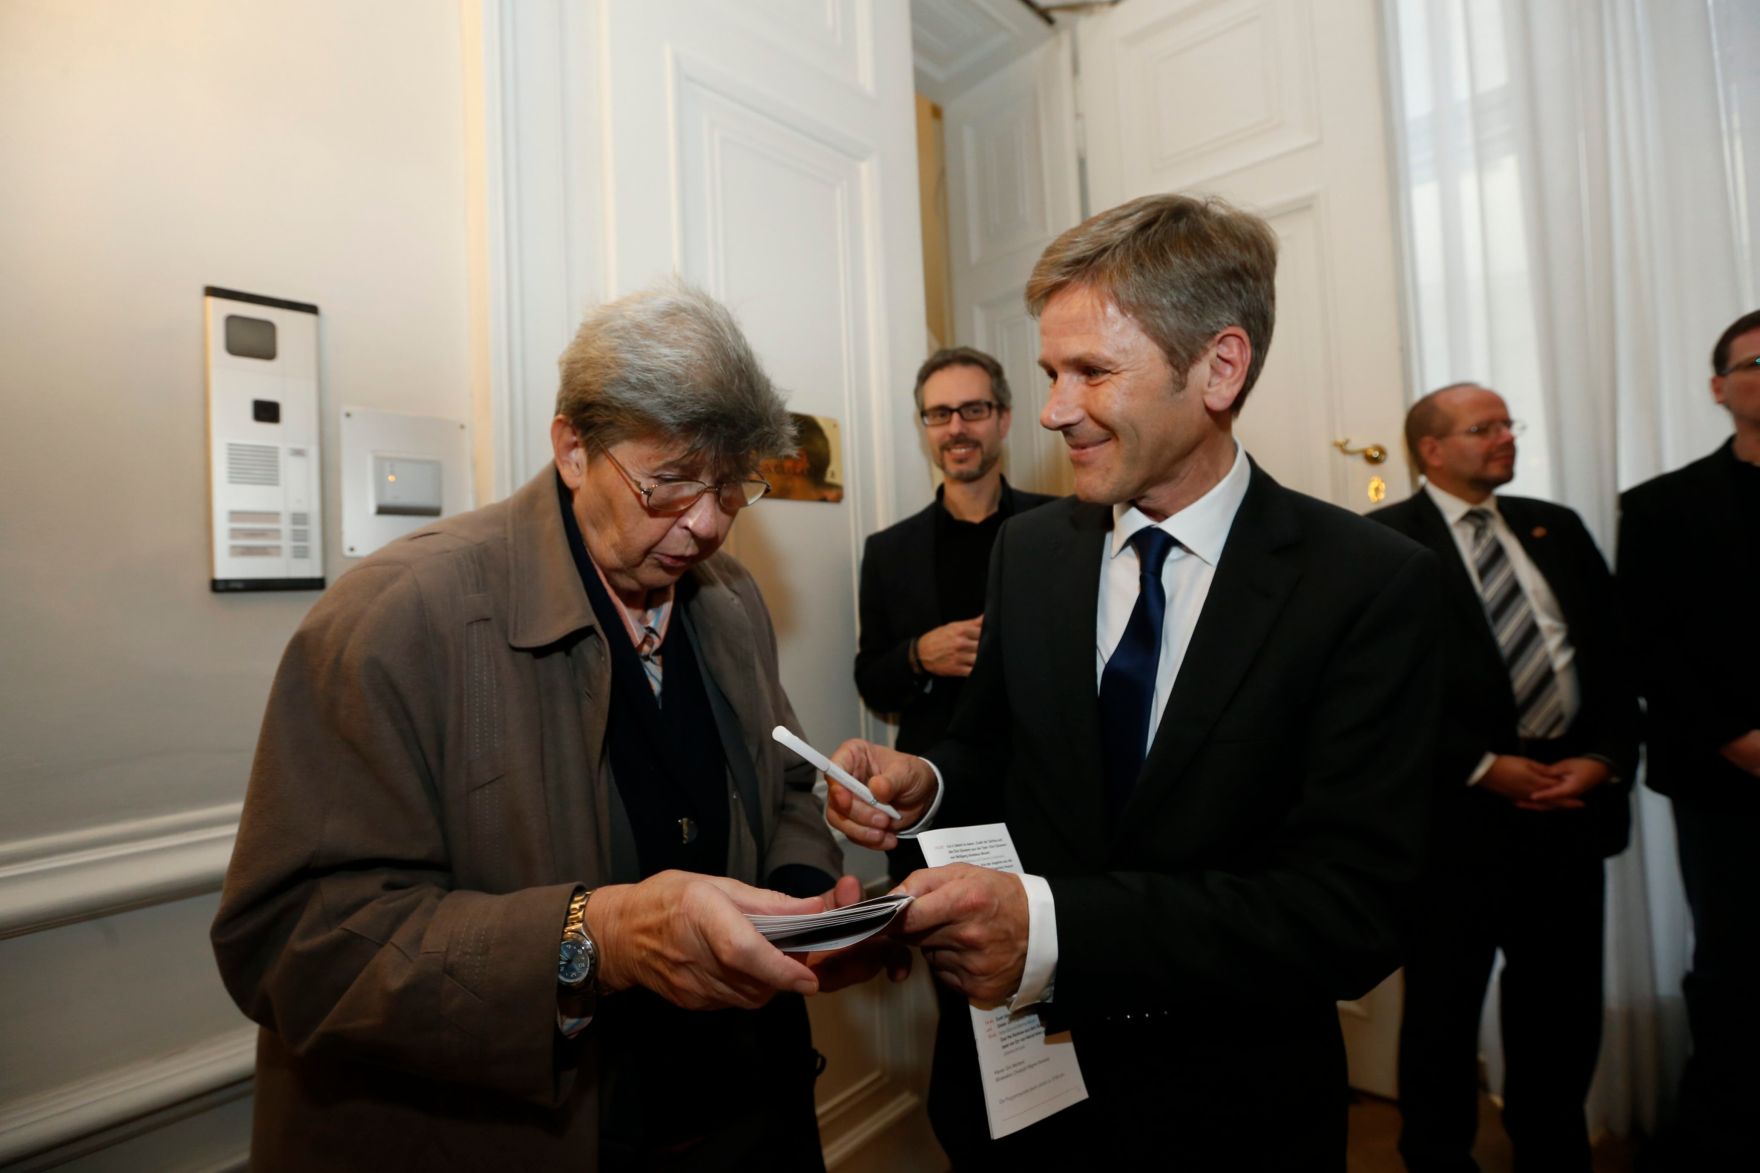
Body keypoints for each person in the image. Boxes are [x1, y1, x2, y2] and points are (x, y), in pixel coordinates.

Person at [824, 193, 1444, 1170]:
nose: (1053, 410)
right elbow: (991, 744)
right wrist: (929, 783)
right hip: (1014, 1091)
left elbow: (1352, 909)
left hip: (1226, 1112)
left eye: (1091, 372)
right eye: (1047, 373)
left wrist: (1052, 928)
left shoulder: (1366, 585)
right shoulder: (1029, 552)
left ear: (1218, 367)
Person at [211, 282, 884, 1171]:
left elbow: (787, 782)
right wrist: (594, 937)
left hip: (749, 1112)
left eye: (731, 486)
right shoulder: (396, 618)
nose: (709, 524)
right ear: (574, 447)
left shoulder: (730, 601)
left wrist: (801, 897)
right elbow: (294, 944)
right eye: (671, 482)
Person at [1369, 383, 1636, 1173]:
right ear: (1432, 448)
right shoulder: (1384, 543)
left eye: (1506, 425)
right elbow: (1384, 688)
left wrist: (1603, 757)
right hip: (1456, 818)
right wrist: (1482, 765)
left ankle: (1554, 1149)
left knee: (1561, 1006)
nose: (1504, 439)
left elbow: (1616, 658)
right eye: (1482, 428)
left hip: (1569, 804)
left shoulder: (1557, 526)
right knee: (1444, 1009)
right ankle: (1441, 1155)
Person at [1618, 308, 1760, 1168]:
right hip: (1727, 777)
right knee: (1740, 969)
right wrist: (1737, 739)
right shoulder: (1663, 508)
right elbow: (1650, 646)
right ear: (1720, 388)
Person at [854, 346, 1052, 885]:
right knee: (946, 961)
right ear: (925, 428)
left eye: (973, 410)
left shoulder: (1065, 527)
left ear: (1004, 418)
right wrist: (920, 655)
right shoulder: (889, 550)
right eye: (939, 414)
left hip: (1044, 796)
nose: (956, 428)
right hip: (933, 804)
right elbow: (872, 678)